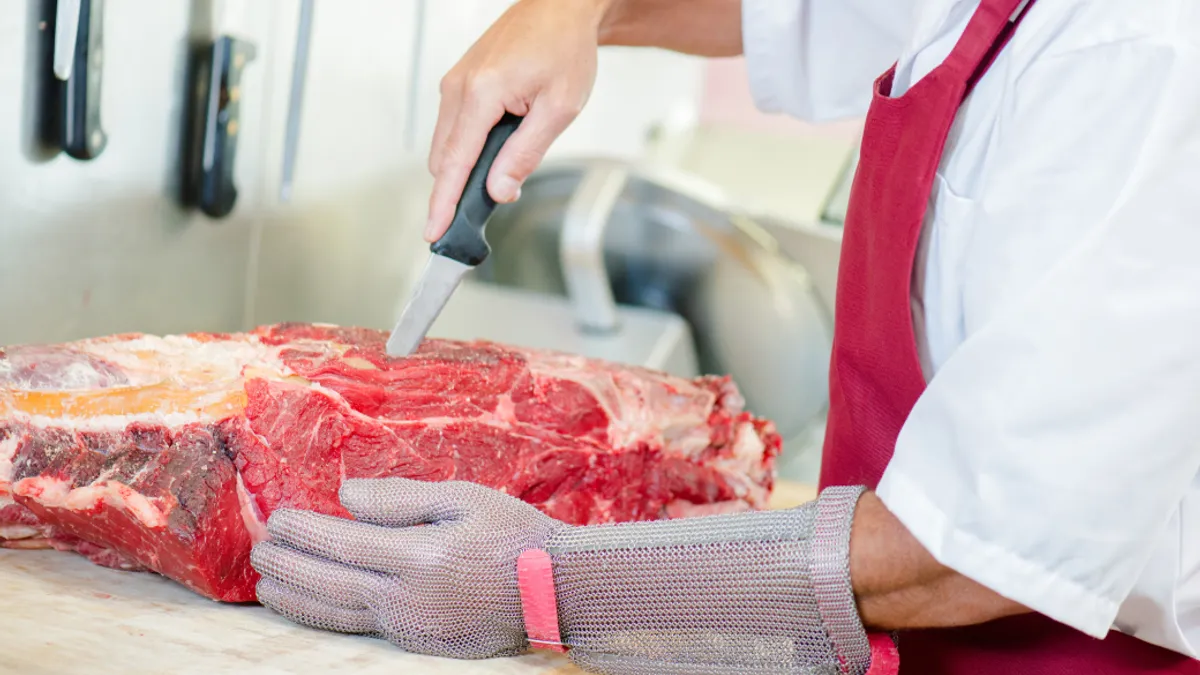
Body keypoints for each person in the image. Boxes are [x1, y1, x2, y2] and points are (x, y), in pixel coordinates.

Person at [247, 0, 1200, 672]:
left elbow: (974, 549)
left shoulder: (1145, 52)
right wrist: (584, 9)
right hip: (895, 642)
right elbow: (785, 11)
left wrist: (543, 585)